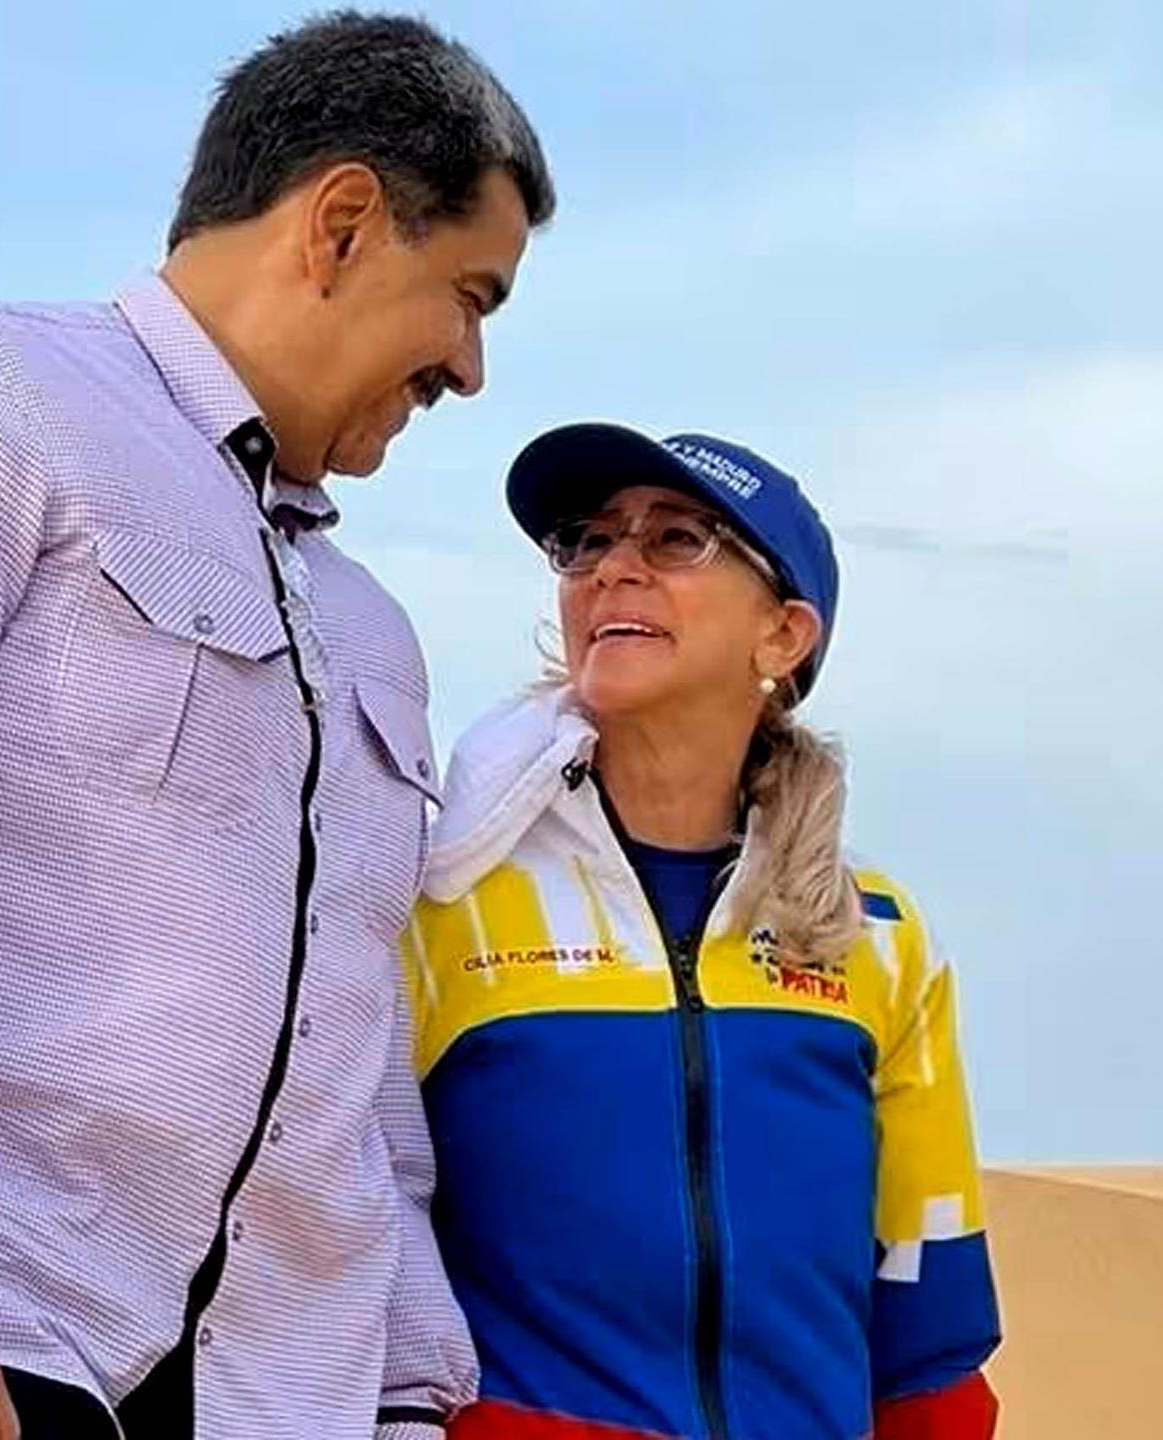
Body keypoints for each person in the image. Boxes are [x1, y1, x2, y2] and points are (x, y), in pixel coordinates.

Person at [0, 15, 555, 1440]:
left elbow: (351, 1026)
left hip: (266, 1390)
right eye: (470, 296)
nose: (471, 366)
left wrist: (400, 1384)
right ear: (340, 223)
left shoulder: (368, 628)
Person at [403, 423, 1002, 1439]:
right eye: (588, 541)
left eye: (676, 538)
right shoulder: (432, 906)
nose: (613, 568)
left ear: (784, 636)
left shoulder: (876, 936)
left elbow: (929, 1338)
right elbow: (337, 1253)